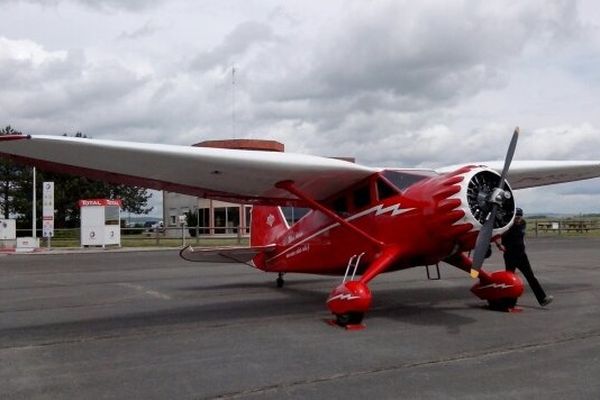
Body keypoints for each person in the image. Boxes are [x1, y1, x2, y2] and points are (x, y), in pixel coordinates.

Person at [496, 207, 553, 306]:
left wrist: (524, 245)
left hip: (522, 256)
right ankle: (509, 302)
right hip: (510, 256)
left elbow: (522, 236)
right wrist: (499, 245)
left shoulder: (523, 224)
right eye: (516, 216)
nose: (518, 218)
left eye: (520, 216)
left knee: (531, 277)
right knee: (509, 280)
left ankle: (542, 299)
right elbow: (495, 234)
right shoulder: (506, 226)